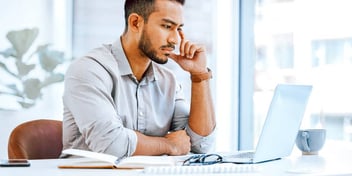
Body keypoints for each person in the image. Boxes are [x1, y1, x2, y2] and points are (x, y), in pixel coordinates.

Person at [62, 0, 216, 158]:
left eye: (179, 29)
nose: (175, 40)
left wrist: (199, 76)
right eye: (167, 26)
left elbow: (200, 144)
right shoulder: (89, 70)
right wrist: (169, 145)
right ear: (135, 23)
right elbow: (110, 145)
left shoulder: (168, 80)